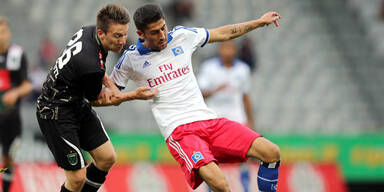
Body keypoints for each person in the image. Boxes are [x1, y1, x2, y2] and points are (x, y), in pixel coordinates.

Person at [103, 4, 281, 192]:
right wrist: (133, 95)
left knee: (271, 152)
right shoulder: (131, 59)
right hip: (181, 132)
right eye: (154, 32)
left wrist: (259, 22)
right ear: (140, 34)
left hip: (209, 121)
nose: (162, 35)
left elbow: (224, 33)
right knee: (220, 184)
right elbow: (107, 97)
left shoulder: (182, 36)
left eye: (163, 27)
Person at [36, 4, 157, 192]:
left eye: (125, 34)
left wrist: (111, 85)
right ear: (101, 33)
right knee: (77, 178)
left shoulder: (89, 31)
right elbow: (96, 100)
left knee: (107, 157)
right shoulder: (90, 64)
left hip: (73, 101)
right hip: (55, 111)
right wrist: (133, 95)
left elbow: (95, 67)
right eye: (117, 36)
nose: (123, 41)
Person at [198, 40, 255, 192]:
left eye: (231, 47)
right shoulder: (209, 68)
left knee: (244, 157)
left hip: (237, 118)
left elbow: (245, 97)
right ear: (220, 49)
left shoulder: (243, 69)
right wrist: (215, 90)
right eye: (225, 47)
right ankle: (210, 188)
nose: (228, 51)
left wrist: (250, 122)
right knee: (211, 159)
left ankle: (246, 187)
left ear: (235, 50)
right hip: (214, 118)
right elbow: (200, 93)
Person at [0, 16, 32, 192]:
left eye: (3, 32)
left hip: (11, 117)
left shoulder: (17, 54)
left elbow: (27, 85)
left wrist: (15, 92)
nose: (0, 36)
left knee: (8, 159)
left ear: (8, 33)